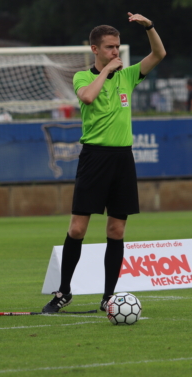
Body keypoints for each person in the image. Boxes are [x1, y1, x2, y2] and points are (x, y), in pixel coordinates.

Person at [42, 13, 166, 313]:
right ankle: (64, 292)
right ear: (95, 49)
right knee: (77, 229)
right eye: (110, 47)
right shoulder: (82, 77)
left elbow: (159, 54)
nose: (115, 52)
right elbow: (87, 97)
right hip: (94, 158)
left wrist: (149, 27)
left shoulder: (128, 75)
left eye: (117, 46)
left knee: (117, 230)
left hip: (123, 159)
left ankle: (108, 297)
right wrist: (107, 70)